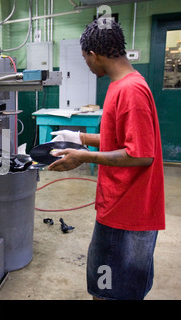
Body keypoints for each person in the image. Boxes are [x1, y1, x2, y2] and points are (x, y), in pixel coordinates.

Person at [48, 19, 165, 300]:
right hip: (116, 205)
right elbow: (123, 139)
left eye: (85, 59)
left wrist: (84, 157)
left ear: (93, 54)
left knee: (111, 293)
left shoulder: (131, 91)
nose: (87, 65)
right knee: (107, 288)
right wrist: (81, 139)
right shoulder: (118, 85)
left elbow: (141, 155)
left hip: (129, 213)